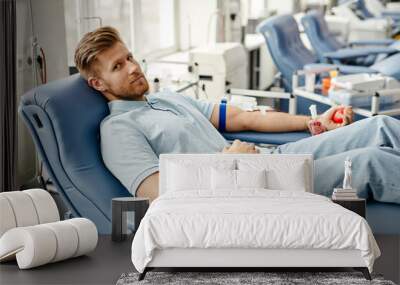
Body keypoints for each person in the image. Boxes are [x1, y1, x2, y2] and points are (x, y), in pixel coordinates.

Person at [74, 26, 400, 204]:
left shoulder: (166, 99)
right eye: (118, 66)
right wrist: (227, 164)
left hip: (275, 157)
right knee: (372, 162)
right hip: (254, 184)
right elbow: (159, 193)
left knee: (381, 126)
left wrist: (311, 123)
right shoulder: (118, 130)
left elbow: (244, 119)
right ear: (97, 82)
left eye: (129, 57)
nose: (133, 67)